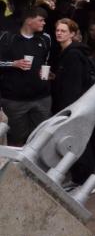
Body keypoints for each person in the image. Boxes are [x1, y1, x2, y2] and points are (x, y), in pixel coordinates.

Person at [50, 19, 95, 185]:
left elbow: (74, 83)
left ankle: (85, 179)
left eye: (63, 31)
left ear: (72, 33)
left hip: (72, 106)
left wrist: (69, 109)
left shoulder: (72, 54)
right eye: (57, 30)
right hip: (74, 104)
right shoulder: (68, 52)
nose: (59, 33)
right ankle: (80, 178)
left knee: (77, 141)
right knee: (76, 141)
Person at [0, 8, 53, 145]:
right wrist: (13, 64)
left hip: (42, 98)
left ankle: (36, 166)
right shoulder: (7, 38)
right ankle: (17, 166)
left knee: (41, 138)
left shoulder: (45, 38)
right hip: (15, 99)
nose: (44, 23)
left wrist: (48, 73)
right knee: (17, 138)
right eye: (40, 20)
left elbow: (47, 61)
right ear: (29, 20)